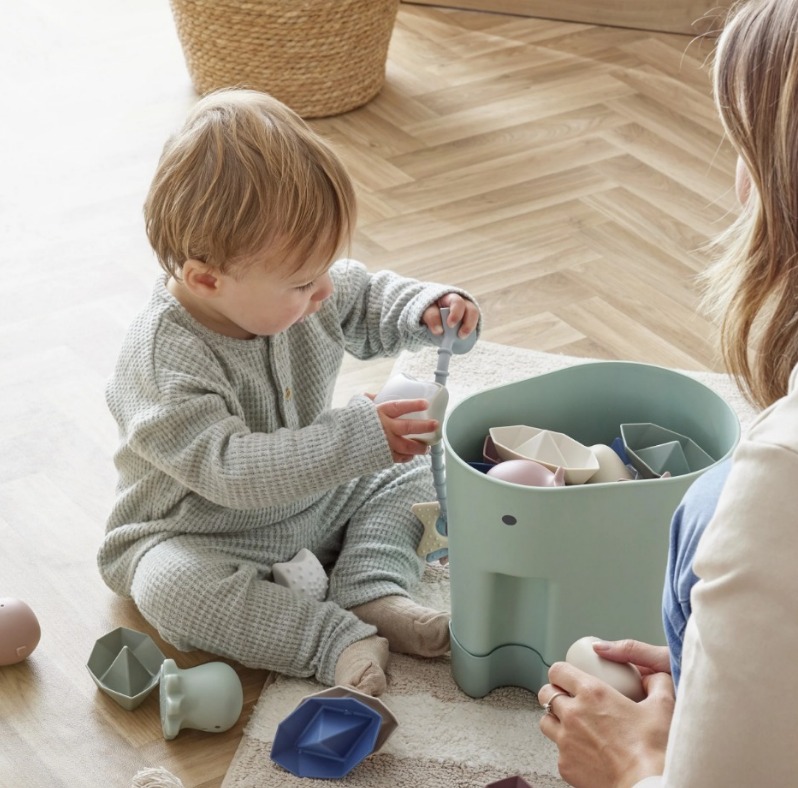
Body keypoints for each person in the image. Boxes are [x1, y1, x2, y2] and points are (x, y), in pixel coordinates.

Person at [97, 88, 480, 697]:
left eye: (325, 267)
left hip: (311, 499)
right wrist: (357, 437)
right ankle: (333, 639)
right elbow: (232, 472)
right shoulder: (161, 362)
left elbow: (365, 296)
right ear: (206, 279)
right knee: (168, 587)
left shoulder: (299, 292)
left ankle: (371, 586)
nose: (324, 291)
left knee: (419, 466)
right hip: (201, 533)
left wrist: (427, 307)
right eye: (303, 282)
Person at [537, 0, 798, 784]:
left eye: (748, 151)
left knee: (716, 500)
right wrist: (734, 667)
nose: (738, 183)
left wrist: (628, 762)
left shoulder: (781, 478)